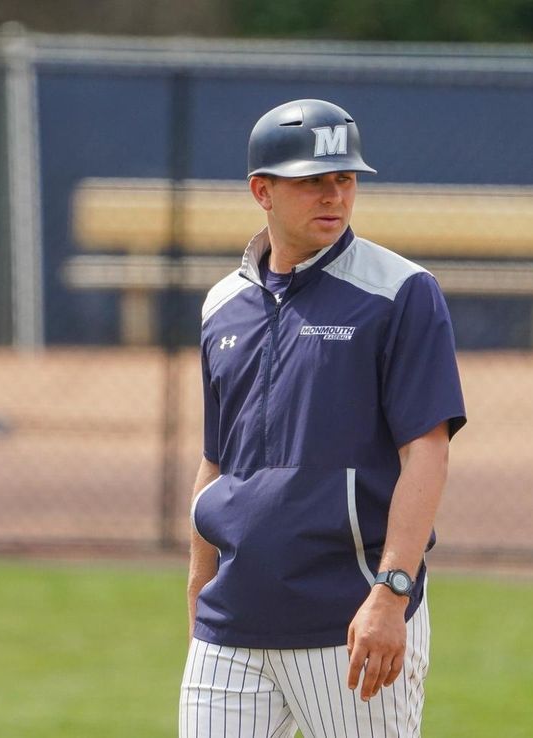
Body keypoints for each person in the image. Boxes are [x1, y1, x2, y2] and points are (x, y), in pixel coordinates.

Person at [180, 98, 466, 738]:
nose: (334, 195)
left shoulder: (400, 292)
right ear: (263, 192)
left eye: (344, 179)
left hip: (351, 624)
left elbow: (428, 451)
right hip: (232, 626)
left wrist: (391, 595)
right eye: (312, 181)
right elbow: (217, 463)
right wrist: (199, 586)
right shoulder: (223, 305)